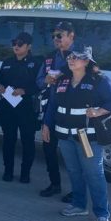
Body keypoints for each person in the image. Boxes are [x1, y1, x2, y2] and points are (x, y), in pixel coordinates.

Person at [42, 45, 111, 221]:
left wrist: (98, 111)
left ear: (86, 61)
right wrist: (46, 124)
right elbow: (52, 104)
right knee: (73, 171)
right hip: (64, 135)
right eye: (70, 57)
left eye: (76, 57)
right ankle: (78, 205)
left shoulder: (99, 80)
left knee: (94, 173)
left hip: (87, 137)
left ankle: (102, 214)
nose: (71, 59)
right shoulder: (61, 79)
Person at [36, 21, 76, 200]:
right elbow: (39, 82)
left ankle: (77, 191)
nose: (56, 39)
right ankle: (55, 184)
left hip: (73, 115)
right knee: (49, 149)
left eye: (60, 35)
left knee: (74, 155)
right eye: (53, 36)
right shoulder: (50, 58)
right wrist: (46, 80)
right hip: (52, 111)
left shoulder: (81, 57)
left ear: (71, 36)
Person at [0, 32, 40, 182]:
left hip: (27, 108)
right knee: (8, 140)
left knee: (27, 141)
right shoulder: (7, 62)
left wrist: (24, 91)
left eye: (20, 44)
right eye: (14, 43)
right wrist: (0, 87)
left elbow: (40, 85)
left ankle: (25, 174)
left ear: (29, 46)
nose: (16, 46)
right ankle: (8, 171)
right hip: (8, 108)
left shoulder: (35, 63)